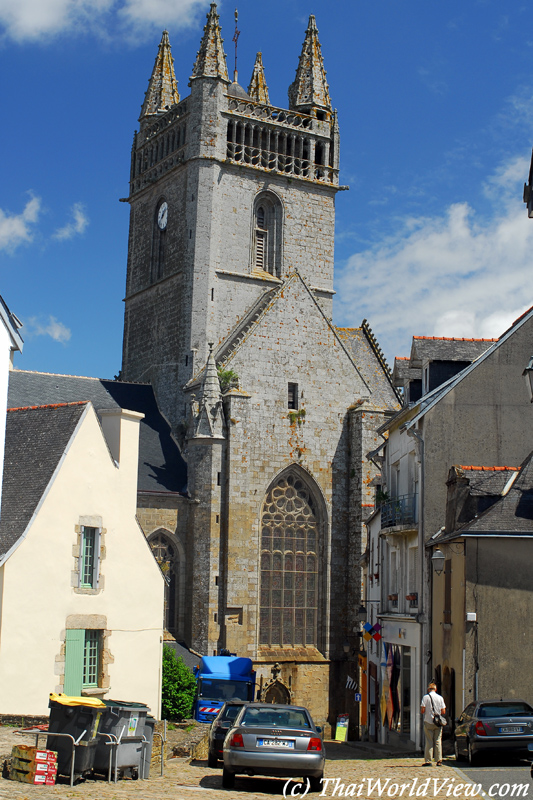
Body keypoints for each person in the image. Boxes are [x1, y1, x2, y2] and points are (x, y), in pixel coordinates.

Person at [420, 682, 446, 766]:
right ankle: (439, 760)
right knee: (438, 740)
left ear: (428, 689)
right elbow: (443, 711)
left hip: (428, 721)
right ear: (436, 689)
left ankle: (428, 760)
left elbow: (422, 710)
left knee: (429, 741)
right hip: (438, 722)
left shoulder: (425, 697)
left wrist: (428, 711)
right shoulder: (440, 698)